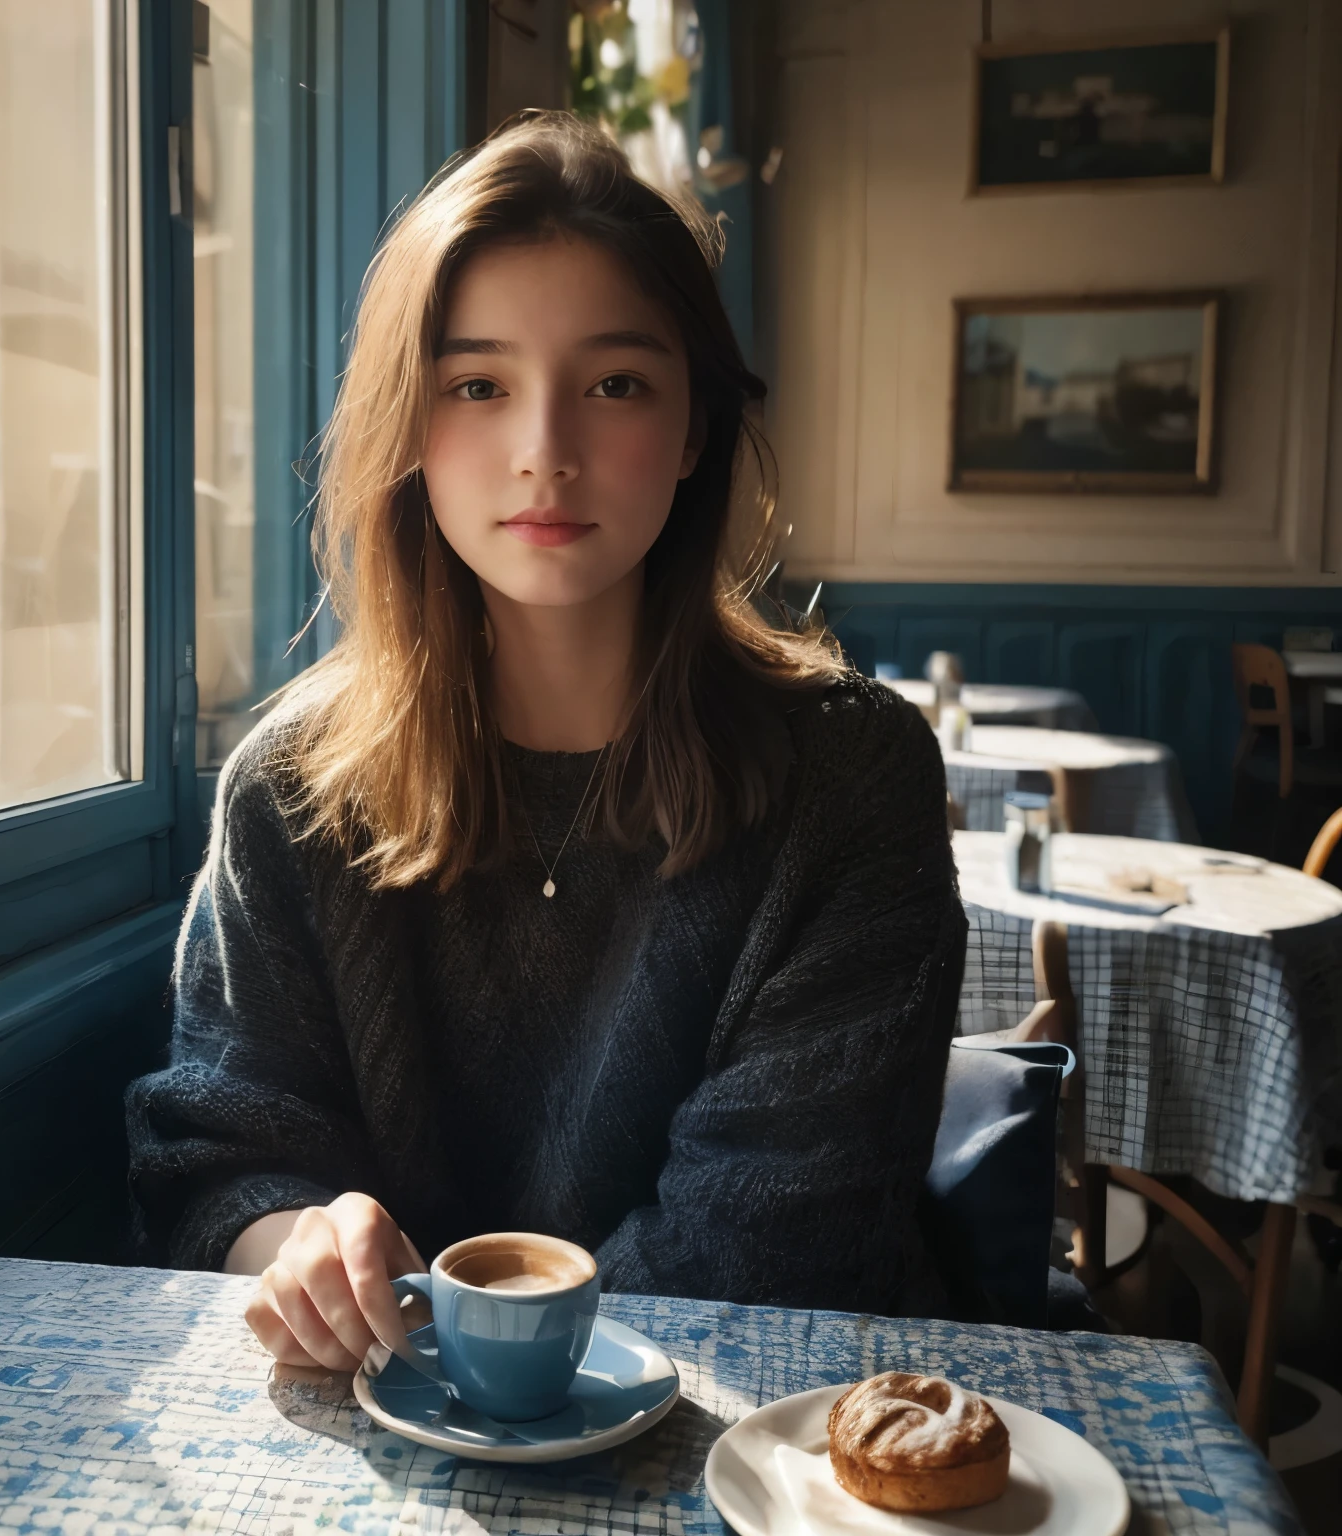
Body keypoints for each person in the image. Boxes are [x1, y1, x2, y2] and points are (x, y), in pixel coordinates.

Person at [126, 112, 966, 1375]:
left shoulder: (851, 778)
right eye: (478, 385)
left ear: (691, 431)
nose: (545, 454)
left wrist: (448, 1352)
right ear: (410, 428)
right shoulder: (291, 789)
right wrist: (295, 1244)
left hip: (755, 1435)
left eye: (616, 384)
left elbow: (779, 1244)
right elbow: (224, 1152)